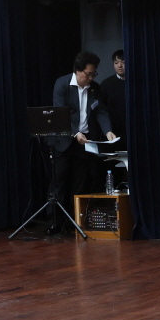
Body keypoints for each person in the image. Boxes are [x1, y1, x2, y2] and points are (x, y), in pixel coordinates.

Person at [49, 52, 118, 229]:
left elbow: (100, 111)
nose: (91, 77)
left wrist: (108, 130)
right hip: (64, 141)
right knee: (59, 183)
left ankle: (75, 222)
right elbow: (60, 113)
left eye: (93, 73)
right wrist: (75, 133)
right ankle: (56, 222)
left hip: (85, 142)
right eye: (88, 73)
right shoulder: (62, 84)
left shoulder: (94, 88)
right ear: (78, 71)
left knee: (80, 183)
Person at [100, 49, 127, 141]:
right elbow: (101, 109)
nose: (120, 66)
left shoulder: (138, 83)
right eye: (116, 63)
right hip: (114, 131)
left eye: (123, 62)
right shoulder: (106, 84)